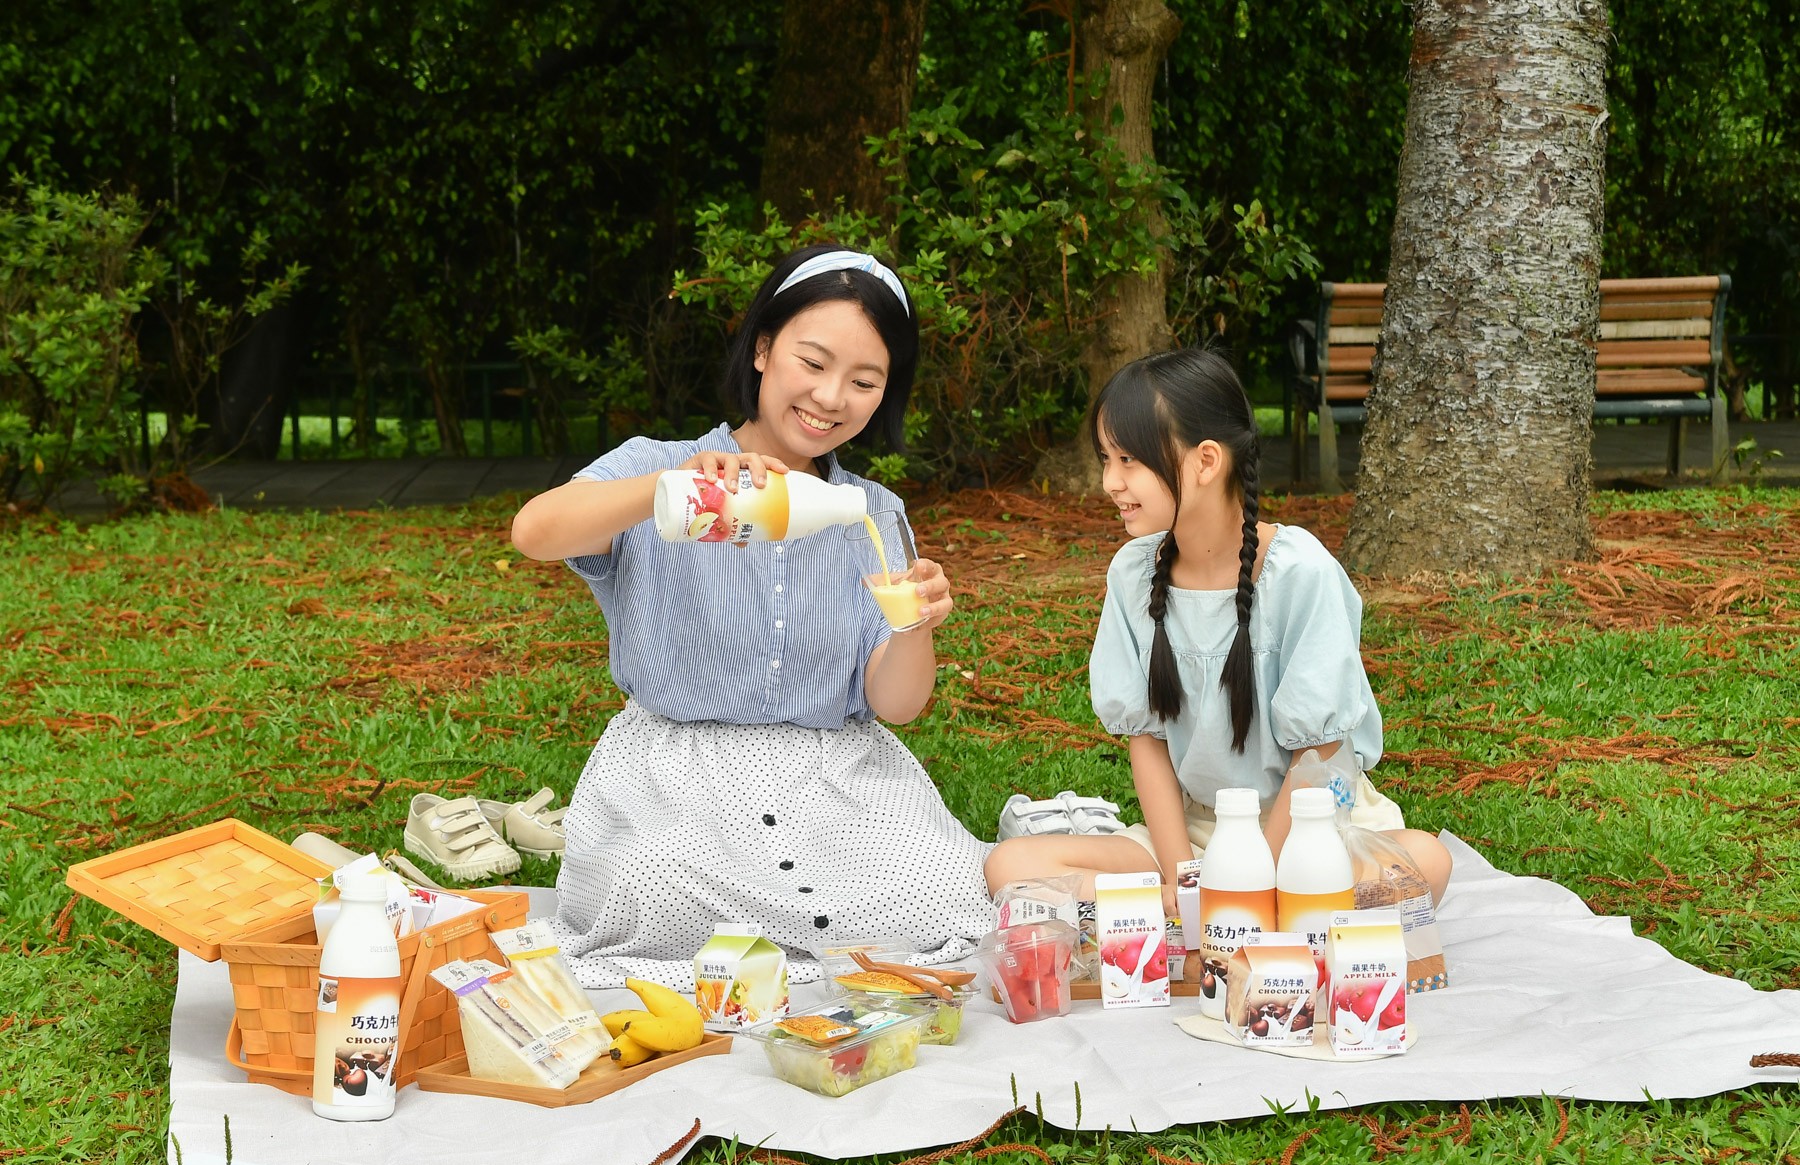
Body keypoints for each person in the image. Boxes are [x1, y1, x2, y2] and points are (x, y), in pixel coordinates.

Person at [510, 244, 995, 989]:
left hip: (834, 782)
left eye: (865, 381)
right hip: (676, 781)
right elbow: (536, 533)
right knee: (646, 889)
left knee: (939, 889)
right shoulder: (662, 465)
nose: (832, 397)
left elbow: (898, 704)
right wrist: (669, 489)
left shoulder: (873, 513)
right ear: (764, 348)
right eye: (813, 361)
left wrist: (913, 624)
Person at [983, 347, 1452, 912]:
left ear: (1206, 462)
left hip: (1309, 829)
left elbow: (1319, 754)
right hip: (1196, 832)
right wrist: (1185, 879)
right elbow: (1148, 741)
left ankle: (1227, 914)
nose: (1110, 481)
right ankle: (1200, 913)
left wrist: (1261, 881)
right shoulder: (1134, 574)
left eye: (1129, 459)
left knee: (1426, 860)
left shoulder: (1302, 573)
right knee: (1010, 867)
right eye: (1106, 458)